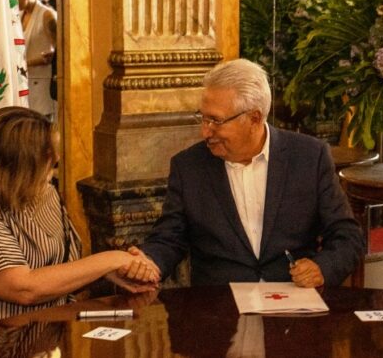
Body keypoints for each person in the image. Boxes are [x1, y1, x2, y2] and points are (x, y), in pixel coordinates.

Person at [0, 107, 159, 344]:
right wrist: (112, 259)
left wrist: (111, 273)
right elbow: (23, 289)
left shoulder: (45, 193)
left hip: (47, 335)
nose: (56, 160)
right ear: (17, 162)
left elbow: (61, 271)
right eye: (47, 156)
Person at [130, 59, 364, 288]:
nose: (205, 132)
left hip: (292, 301)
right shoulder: (189, 166)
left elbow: (348, 235)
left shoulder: (309, 157)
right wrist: (148, 262)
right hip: (218, 304)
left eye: (216, 121)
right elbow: (169, 239)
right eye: (203, 118)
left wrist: (322, 268)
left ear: (254, 118)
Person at [16, 0, 57, 120]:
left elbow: (58, 51)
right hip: (24, 80)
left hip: (42, 81)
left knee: (40, 122)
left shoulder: (47, 15)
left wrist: (26, 63)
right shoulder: (20, 14)